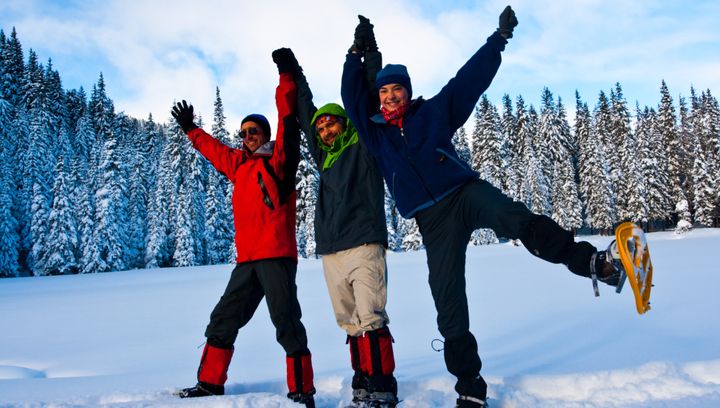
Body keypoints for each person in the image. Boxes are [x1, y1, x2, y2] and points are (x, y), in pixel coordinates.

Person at [341, 7, 622, 408]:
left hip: (465, 193)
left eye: (396, 90)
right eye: (384, 92)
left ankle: (593, 264)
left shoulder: (434, 113)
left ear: (407, 90)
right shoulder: (376, 134)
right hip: (431, 219)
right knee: (447, 297)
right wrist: (356, 54)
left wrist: (498, 40)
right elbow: (352, 98)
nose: (389, 97)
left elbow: (469, 80)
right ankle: (470, 386)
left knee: (517, 220)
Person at [170, 48, 316, 407]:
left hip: (277, 257)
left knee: (287, 323)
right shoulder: (239, 166)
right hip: (247, 260)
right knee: (223, 318)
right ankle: (209, 384)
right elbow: (215, 151)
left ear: (265, 135)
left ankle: (301, 390)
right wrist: (191, 130)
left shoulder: (278, 161)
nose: (247, 136)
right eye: (243, 132)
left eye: (253, 131)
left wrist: (286, 74)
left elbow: (286, 117)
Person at [288, 17, 399, 407]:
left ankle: (383, 385)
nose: (323, 131)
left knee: (371, 317)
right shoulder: (325, 158)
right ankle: (362, 382)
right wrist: (293, 74)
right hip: (332, 250)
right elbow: (304, 113)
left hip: (365, 243)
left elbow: (368, 94)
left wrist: (367, 52)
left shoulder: (364, 145)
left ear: (343, 123)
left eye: (329, 124)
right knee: (350, 322)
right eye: (320, 129)